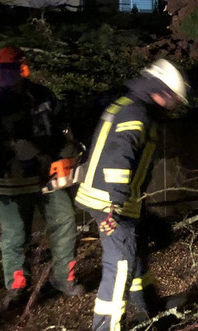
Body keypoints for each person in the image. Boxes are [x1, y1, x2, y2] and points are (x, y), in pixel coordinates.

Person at [75, 58, 188, 330]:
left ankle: (150, 309)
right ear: (161, 92)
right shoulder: (136, 114)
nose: (172, 107)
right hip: (110, 201)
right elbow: (118, 157)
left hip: (113, 199)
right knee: (121, 264)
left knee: (134, 255)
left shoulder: (129, 107)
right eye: (172, 100)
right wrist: (115, 204)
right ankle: (106, 327)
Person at [0, 46, 84, 307]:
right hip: (13, 181)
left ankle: (64, 278)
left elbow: (63, 128)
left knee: (64, 221)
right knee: (15, 236)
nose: (2, 76)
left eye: (6, 70)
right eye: (0, 71)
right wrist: (11, 147)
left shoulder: (42, 96)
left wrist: (65, 156)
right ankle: (18, 286)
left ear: (21, 69)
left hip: (49, 176)